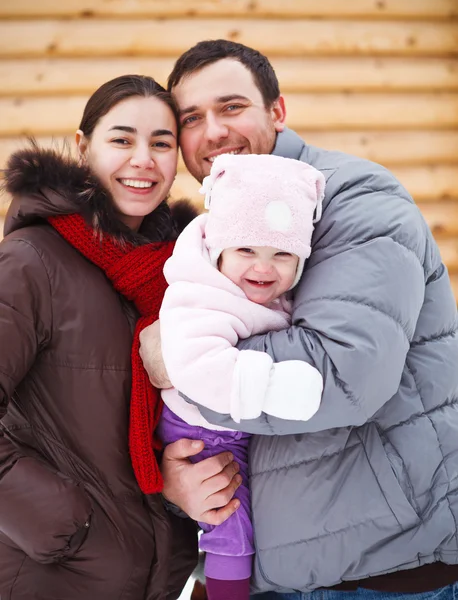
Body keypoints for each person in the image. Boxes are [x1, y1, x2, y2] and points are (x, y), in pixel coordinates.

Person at [139, 40, 458, 599]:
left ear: (277, 111)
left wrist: (188, 364)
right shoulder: (213, 232)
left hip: (382, 570)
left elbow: (343, 373)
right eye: (192, 117)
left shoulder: (355, 198)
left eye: (232, 107)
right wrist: (178, 471)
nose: (213, 131)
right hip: (287, 567)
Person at [0, 74, 202, 599]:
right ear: (83, 146)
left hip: (152, 581)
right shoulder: (31, 263)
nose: (144, 159)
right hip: (50, 578)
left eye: (161, 143)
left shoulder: (176, 275)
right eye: (122, 139)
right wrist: (66, 523)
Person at [152, 153, 325, 600]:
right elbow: (197, 368)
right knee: (230, 521)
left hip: (235, 427)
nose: (263, 268)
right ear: (219, 250)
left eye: (282, 254)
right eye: (246, 250)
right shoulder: (202, 296)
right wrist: (269, 385)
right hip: (199, 430)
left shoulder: (268, 293)